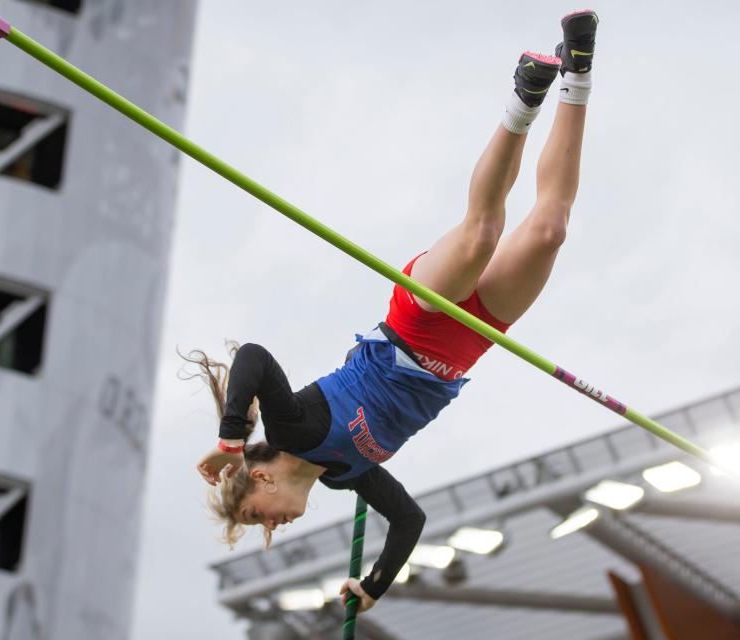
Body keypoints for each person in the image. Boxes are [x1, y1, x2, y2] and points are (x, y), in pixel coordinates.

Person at [190, 9, 598, 614]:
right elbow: (409, 520)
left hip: (416, 323)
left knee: (483, 229)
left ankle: (525, 96)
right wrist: (373, 584)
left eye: (257, 517)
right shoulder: (345, 474)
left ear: (263, 478)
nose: (273, 528)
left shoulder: (290, 429)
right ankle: (578, 74)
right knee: (550, 229)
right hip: (465, 346)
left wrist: (229, 438)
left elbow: (252, 357)